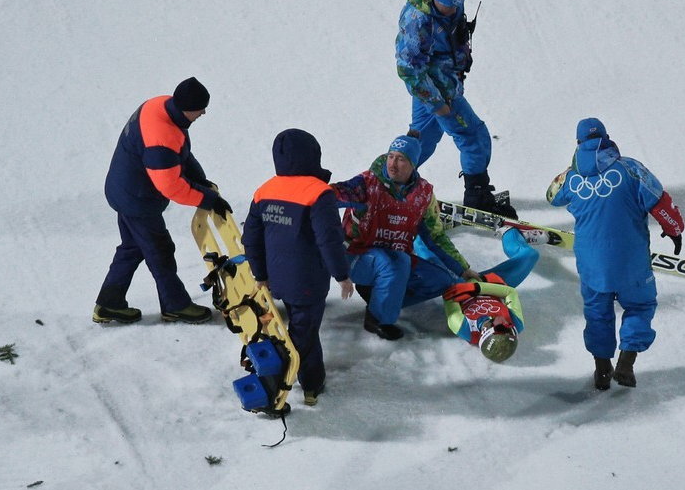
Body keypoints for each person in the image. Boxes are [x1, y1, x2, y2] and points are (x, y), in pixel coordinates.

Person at [546, 117, 685, 390]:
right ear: (607, 138)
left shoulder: (572, 179)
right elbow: (661, 203)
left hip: (591, 263)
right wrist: (675, 230)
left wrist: (574, 166)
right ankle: (626, 363)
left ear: (578, 144)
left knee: (597, 312)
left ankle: (601, 370)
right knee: (640, 305)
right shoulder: (631, 169)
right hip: (631, 260)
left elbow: (551, 195)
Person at [94, 77, 231, 325]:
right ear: (186, 109)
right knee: (160, 251)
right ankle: (175, 305)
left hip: (124, 189)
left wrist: (200, 180)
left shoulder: (159, 106)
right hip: (137, 200)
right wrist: (206, 198)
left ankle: (109, 303)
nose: (203, 113)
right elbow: (171, 186)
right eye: (200, 109)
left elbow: (179, 155)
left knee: (133, 247)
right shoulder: (162, 136)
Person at [332, 131, 482, 340]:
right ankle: (378, 318)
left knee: (440, 280)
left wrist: (463, 269)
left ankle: (380, 297)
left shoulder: (423, 195)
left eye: (401, 159)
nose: (393, 164)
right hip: (354, 257)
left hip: (393, 260)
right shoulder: (367, 183)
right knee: (392, 262)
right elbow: (334, 195)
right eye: (391, 156)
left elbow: (435, 237)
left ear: (413, 165)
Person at [242, 129, 354, 406]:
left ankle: (311, 379)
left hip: (277, 278)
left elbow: (250, 239)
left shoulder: (264, 190)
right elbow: (329, 239)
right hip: (308, 282)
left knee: (304, 329)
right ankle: (286, 380)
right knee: (300, 336)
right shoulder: (318, 193)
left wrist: (261, 274)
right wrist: (342, 275)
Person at [395, 0, 517, 218]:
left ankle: (388, 188)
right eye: (446, 6)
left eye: (456, 5)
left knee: (423, 140)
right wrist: (437, 103)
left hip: (446, 79)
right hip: (437, 87)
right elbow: (409, 69)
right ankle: (477, 196)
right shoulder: (418, 19)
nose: (452, 10)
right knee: (473, 136)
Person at [438, 225, 545, 363]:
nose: (508, 323)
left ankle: (419, 228)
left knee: (433, 260)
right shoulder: (516, 323)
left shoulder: (461, 326)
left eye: (503, 326)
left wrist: (467, 284)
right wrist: (477, 287)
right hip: (492, 282)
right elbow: (510, 292)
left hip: (458, 282)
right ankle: (509, 233)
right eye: (511, 329)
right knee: (530, 256)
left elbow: (449, 295)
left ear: (487, 331)